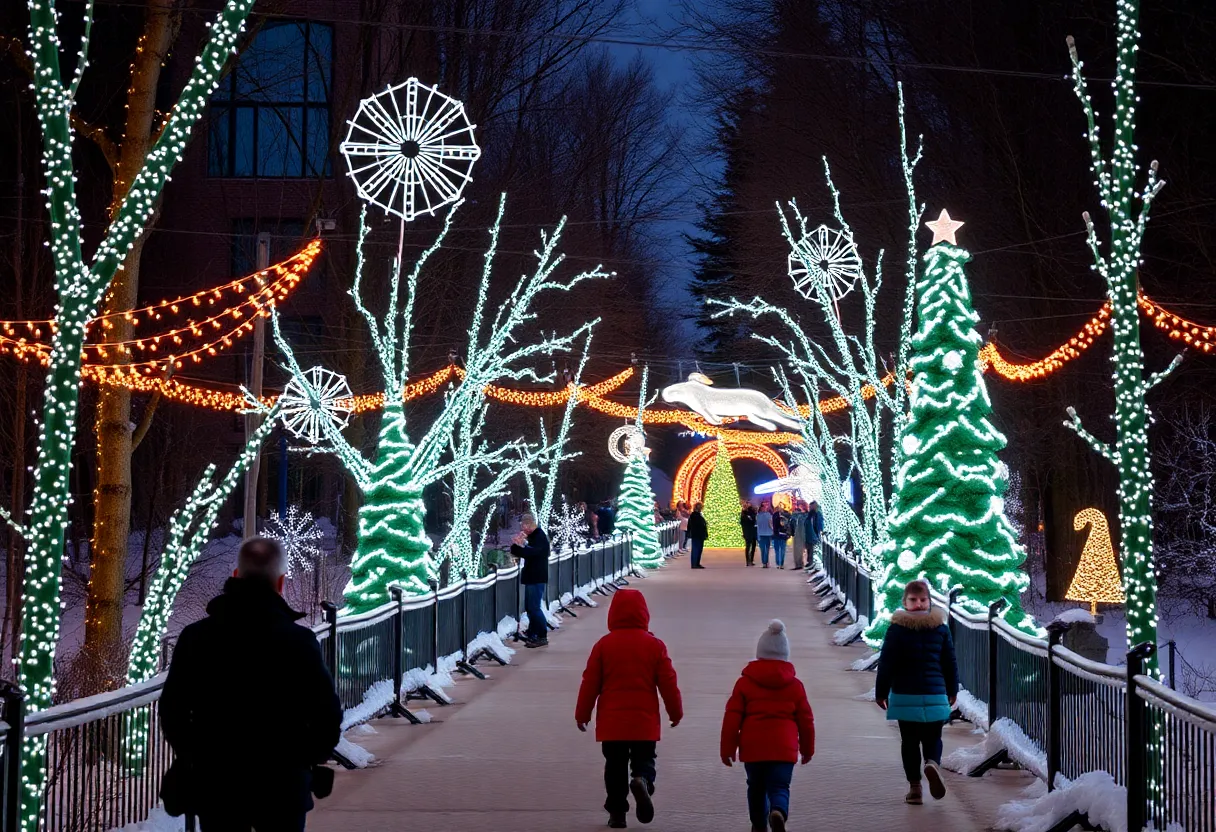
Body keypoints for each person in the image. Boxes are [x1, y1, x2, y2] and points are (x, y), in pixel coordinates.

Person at [160, 537, 342, 831]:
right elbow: (326, 714)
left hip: (216, 784)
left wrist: (194, 755)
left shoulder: (197, 638)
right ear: (280, 583)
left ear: (235, 576)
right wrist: (306, 759)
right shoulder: (299, 642)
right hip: (283, 785)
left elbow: (173, 710)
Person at [575, 589, 683, 828]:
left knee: (614, 766)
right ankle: (642, 781)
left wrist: (582, 714)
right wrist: (675, 712)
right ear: (644, 614)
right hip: (643, 721)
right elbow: (668, 682)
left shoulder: (603, 645)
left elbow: (590, 682)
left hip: (612, 723)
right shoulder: (655, 645)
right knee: (645, 760)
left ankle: (617, 813)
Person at [720, 620, 815, 832]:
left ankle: (758, 825)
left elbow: (732, 718)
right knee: (780, 786)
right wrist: (807, 749)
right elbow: (806, 721)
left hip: (753, 749)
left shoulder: (744, 683)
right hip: (784, 748)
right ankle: (778, 811)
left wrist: (727, 750)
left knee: (756, 788)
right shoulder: (796, 686)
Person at [875, 579, 959, 805]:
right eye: (914, 600)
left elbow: (886, 663)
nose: (919, 604)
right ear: (905, 601)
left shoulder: (896, 629)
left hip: (905, 695)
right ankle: (932, 763)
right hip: (935, 693)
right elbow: (949, 662)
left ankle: (915, 788)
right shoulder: (940, 628)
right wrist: (952, 689)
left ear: (929, 601)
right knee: (933, 737)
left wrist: (881, 692)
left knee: (909, 743)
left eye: (922, 600)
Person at [512, 513, 551, 648]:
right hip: (531, 576)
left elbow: (533, 553)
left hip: (536, 577)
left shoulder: (539, 537)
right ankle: (533, 632)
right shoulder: (532, 537)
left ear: (529, 525)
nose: (522, 528)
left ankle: (541, 634)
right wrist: (517, 546)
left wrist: (521, 546)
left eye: (523, 525)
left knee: (534, 607)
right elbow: (522, 552)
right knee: (530, 607)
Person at [686, 502, 708, 569]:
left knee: (699, 549)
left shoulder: (698, 515)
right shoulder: (694, 515)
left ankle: (697, 563)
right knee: (696, 549)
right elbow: (694, 525)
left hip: (699, 535)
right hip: (697, 535)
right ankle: (694, 564)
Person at [806, 501, 824, 569]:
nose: (809, 508)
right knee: (810, 548)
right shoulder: (811, 514)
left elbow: (818, 525)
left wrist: (818, 532)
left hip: (813, 534)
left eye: (810, 507)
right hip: (811, 534)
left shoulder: (816, 514)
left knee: (812, 548)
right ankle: (810, 562)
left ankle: (812, 562)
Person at [790, 501, 808, 571]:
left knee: (798, 550)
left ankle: (799, 564)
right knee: (799, 550)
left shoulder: (798, 515)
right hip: (801, 533)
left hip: (799, 534)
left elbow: (792, 523)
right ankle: (800, 563)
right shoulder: (803, 515)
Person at [755, 502, 774, 568]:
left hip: (761, 533)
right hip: (768, 533)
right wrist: (773, 530)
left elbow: (757, 525)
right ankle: (766, 562)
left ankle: (764, 562)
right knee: (767, 548)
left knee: (762, 549)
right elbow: (770, 523)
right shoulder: (768, 515)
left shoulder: (758, 515)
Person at [740, 502, 758, 567]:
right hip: (747, 532)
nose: (747, 506)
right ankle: (747, 561)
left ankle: (751, 560)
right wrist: (744, 533)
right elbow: (743, 524)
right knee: (748, 547)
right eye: (745, 505)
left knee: (753, 546)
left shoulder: (752, 512)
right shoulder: (743, 515)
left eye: (748, 504)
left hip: (753, 532)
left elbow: (754, 521)